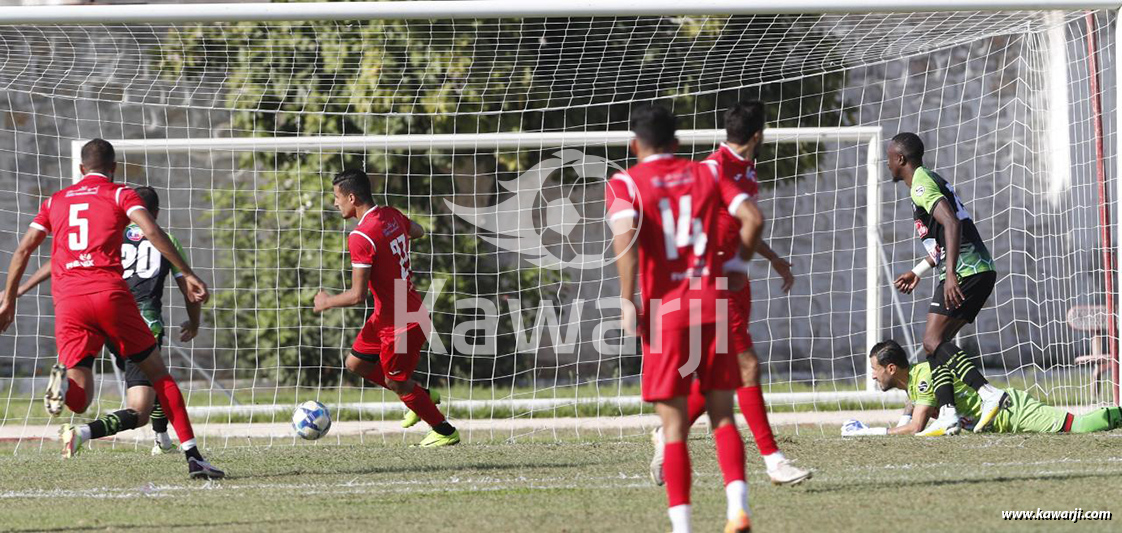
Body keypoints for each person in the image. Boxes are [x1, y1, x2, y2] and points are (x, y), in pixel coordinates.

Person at [0, 138, 223, 478]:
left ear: (80, 169)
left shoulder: (55, 201)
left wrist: (9, 298)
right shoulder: (120, 194)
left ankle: (62, 386)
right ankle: (193, 456)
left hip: (68, 301)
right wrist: (189, 273)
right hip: (110, 296)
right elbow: (149, 229)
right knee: (159, 375)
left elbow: (24, 250)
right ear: (114, 168)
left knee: (80, 399)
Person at [607, 105, 764, 533]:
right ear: (677, 144)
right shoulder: (708, 173)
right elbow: (753, 219)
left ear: (633, 145)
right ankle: (738, 509)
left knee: (673, 427)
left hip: (667, 311)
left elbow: (626, 239)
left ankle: (683, 527)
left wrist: (626, 299)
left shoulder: (625, 182)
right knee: (722, 415)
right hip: (712, 302)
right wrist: (735, 267)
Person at [650, 101, 810, 488]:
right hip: (711, 284)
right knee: (747, 366)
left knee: (720, 375)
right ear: (759, 134)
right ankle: (774, 460)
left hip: (737, 282)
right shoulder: (711, 168)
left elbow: (740, 227)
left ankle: (668, 431)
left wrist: (771, 257)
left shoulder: (746, 171)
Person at [5, 186, 201, 455]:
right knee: (148, 391)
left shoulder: (109, 232)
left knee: (86, 395)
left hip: (90, 310)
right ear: (154, 213)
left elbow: (59, 260)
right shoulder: (165, 240)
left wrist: (19, 290)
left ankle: (161, 439)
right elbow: (189, 291)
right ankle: (92, 433)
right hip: (136, 319)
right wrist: (194, 322)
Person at [313, 168, 458, 447]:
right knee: (356, 363)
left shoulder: (360, 236)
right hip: (396, 310)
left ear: (352, 198)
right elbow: (418, 231)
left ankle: (444, 429)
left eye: (336, 197)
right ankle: (422, 395)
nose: (334, 203)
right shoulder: (390, 215)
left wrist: (326, 301)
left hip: (400, 321)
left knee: (398, 383)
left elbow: (357, 296)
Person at [887, 132, 1006, 436]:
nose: (887, 164)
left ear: (901, 159)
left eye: (889, 158)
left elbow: (952, 223)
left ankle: (987, 392)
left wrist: (950, 272)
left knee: (931, 341)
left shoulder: (922, 185)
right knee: (936, 346)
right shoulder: (927, 180)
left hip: (965, 271)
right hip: (974, 269)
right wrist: (919, 270)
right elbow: (942, 237)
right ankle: (949, 414)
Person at [844, 340, 1122, 435]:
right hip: (1001, 420)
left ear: (891, 368)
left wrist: (867, 432)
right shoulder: (915, 381)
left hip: (1013, 412)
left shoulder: (924, 378)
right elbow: (912, 406)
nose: (872, 377)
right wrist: (901, 419)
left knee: (1080, 426)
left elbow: (915, 428)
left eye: (874, 370)